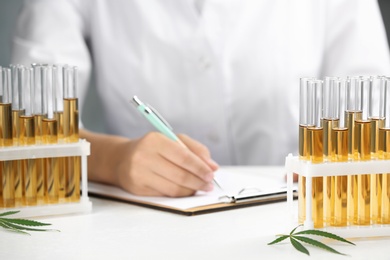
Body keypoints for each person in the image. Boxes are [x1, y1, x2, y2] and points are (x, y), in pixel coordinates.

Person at [11, 0, 390, 197]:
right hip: (148, 227)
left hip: (299, 218)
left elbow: (375, 108)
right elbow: (30, 127)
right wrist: (114, 161)